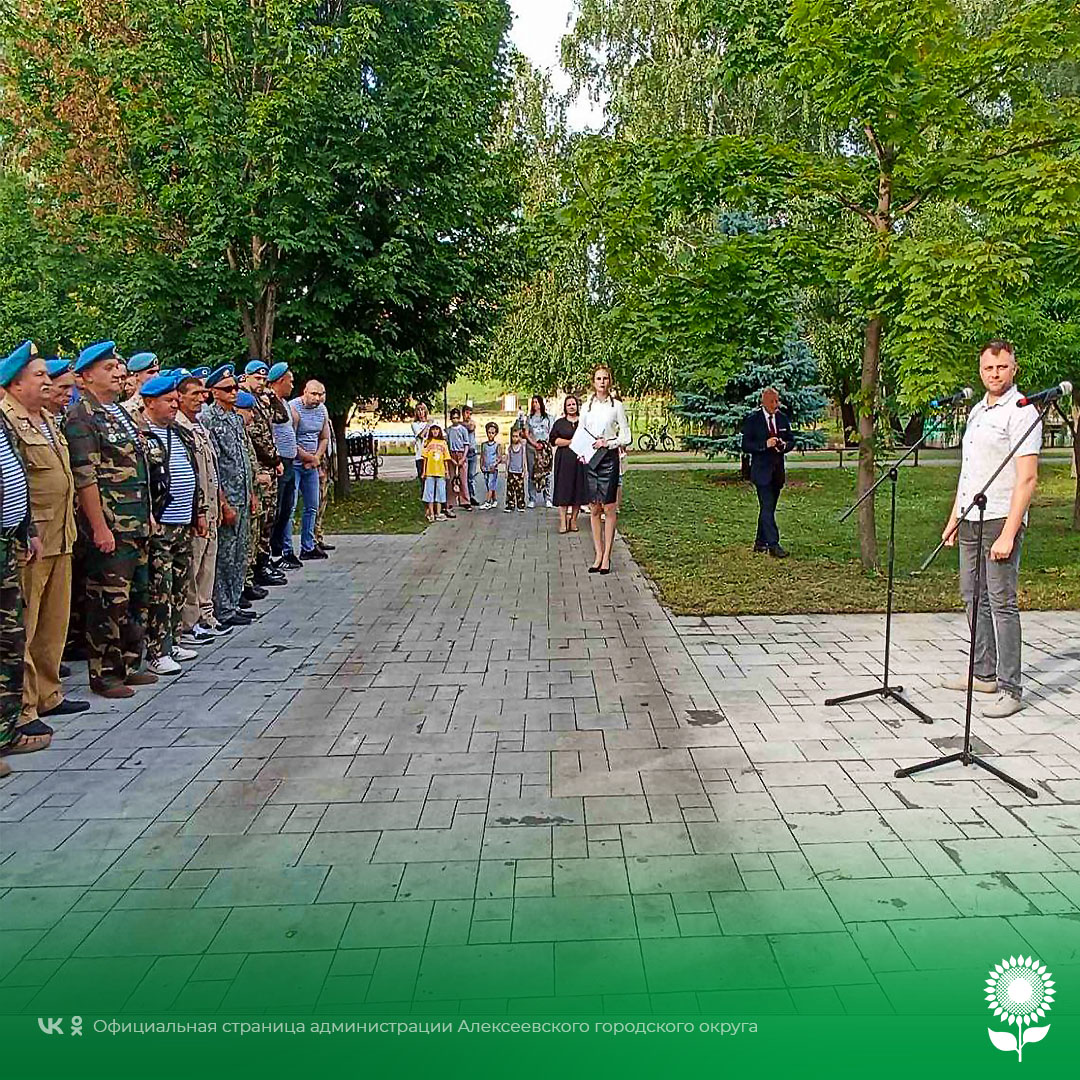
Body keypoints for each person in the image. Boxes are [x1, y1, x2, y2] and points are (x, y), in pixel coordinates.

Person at [941, 340, 1041, 719]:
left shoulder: (1022, 412)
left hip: (1001, 518)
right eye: (988, 368)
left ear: (1013, 369)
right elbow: (969, 473)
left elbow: (1027, 478)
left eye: (1001, 367)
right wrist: (953, 520)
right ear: (980, 371)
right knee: (972, 595)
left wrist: (1009, 532)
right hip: (971, 518)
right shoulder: (977, 412)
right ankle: (983, 672)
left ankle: (1011, 687)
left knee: (1001, 602)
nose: (994, 374)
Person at [0, 344, 88, 735]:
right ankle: (24, 706)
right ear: (15, 384)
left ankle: (50, 693)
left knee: (55, 620)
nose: (48, 382)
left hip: (60, 533)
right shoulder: (9, 420)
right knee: (27, 623)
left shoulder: (47, 420)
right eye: (39, 375)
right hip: (31, 537)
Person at [64, 341, 156, 698]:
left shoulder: (117, 412)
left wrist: (147, 514)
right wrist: (100, 527)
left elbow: (138, 469)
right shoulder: (81, 416)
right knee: (107, 601)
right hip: (110, 527)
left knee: (136, 598)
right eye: (108, 368)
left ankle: (130, 663)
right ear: (85, 377)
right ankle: (104, 673)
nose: (118, 372)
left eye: (118, 367)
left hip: (135, 525)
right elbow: (85, 477)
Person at [0, 344, 51, 771]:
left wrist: (26, 527)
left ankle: (6, 728)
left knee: (10, 637)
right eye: (37, 375)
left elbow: (16, 477)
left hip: (12, 539)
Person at [140, 373, 206, 674]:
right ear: (149, 402)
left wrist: (199, 512)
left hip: (182, 522)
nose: (174, 405)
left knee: (180, 584)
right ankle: (157, 649)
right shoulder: (141, 434)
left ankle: (174, 638)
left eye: (175, 400)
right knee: (160, 588)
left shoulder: (179, 432)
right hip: (160, 524)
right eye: (168, 401)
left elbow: (194, 473)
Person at [177, 370, 231, 644]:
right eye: (194, 394)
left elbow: (211, 470)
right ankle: (190, 622)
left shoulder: (197, 426)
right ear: (179, 397)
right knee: (193, 566)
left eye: (202, 394)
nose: (201, 399)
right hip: (195, 510)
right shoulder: (179, 428)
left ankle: (206, 614)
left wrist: (220, 502)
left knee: (207, 565)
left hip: (210, 505)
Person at [201, 365, 255, 628]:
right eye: (227, 389)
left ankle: (233, 602)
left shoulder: (234, 419)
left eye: (235, 388)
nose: (234, 393)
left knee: (240, 551)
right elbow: (215, 465)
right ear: (213, 392)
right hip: (227, 496)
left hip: (243, 492)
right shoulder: (208, 420)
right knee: (225, 554)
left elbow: (243, 458)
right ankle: (222, 607)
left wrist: (252, 492)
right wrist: (223, 502)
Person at [578, 366, 632, 573]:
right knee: (594, 508)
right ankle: (598, 554)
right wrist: (582, 451)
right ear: (593, 382)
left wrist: (608, 443)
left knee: (609, 508)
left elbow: (626, 436)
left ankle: (608, 556)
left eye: (605, 378)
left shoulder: (616, 406)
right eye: (598, 378)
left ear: (610, 381)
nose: (602, 382)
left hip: (609, 458)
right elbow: (580, 432)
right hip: (590, 459)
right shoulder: (587, 407)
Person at [240, 360, 288, 587]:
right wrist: (275, 459)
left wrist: (271, 395)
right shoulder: (242, 399)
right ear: (246, 377)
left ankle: (262, 561)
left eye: (263, 379)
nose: (260, 383)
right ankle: (255, 567)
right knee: (259, 519)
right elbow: (257, 437)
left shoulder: (262, 400)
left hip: (268, 466)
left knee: (268, 517)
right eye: (257, 379)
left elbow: (281, 417)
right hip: (259, 466)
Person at [741, 386, 792, 559]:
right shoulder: (753, 420)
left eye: (777, 401)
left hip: (777, 472)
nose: (776, 404)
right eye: (772, 401)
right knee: (767, 506)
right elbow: (746, 445)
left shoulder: (782, 419)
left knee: (768, 508)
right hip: (761, 472)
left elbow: (791, 440)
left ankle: (760, 542)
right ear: (764, 402)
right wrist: (765, 445)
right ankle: (773, 544)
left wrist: (784, 445)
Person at [287, 380, 329, 560]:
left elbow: (324, 437)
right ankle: (286, 549)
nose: (317, 398)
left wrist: (316, 458)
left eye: (320, 395)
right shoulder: (293, 409)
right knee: (291, 506)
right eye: (313, 394)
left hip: (312, 465)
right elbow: (289, 440)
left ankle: (308, 546)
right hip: (295, 464)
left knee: (312, 506)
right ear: (305, 392)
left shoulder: (322, 410)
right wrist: (307, 457)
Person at [267, 363, 300, 570]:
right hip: (277, 462)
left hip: (289, 461)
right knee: (276, 510)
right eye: (290, 381)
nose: (292, 385)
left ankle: (279, 554)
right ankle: (272, 554)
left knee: (286, 509)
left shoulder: (284, 403)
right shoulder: (269, 402)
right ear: (280, 381)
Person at [550, 394, 587, 534]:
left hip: (580, 459)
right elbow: (554, 440)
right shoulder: (560, 423)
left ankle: (574, 520)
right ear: (565, 407)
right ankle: (563, 522)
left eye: (573, 404)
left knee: (578, 490)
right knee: (564, 490)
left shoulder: (583, 422)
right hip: (564, 459)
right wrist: (571, 442)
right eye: (569, 405)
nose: (571, 407)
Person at [524, 395, 552, 508]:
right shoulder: (529, 418)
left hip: (545, 447)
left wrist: (545, 443)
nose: (535, 404)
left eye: (537, 402)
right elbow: (526, 433)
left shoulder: (548, 418)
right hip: (532, 448)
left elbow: (551, 431)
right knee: (532, 472)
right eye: (533, 402)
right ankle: (532, 498)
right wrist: (534, 443)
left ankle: (548, 498)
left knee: (547, 473)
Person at [420, 424, 451, 522]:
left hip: (440, 471)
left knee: (440, 492)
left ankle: (438, 513)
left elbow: (446, 458)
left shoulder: (443, 443)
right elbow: (425, 458)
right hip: (430, 471)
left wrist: (447, 471)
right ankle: (431, 514)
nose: (435, 432)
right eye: (433, 430)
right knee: (429, 492)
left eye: (437, 429)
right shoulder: (427, 442)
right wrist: (424, 472)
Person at [121, 352, 160, 416]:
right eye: (151, 372)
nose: (156, 376)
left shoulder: (163, 402)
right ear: (136, 376)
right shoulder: (127, 408)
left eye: (157, 371)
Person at [479, 422, 503, 509]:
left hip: (493, 468)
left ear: (495, 434)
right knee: (489, 485)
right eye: (489, 432)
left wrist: (495, 464)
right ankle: (494, 499)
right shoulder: (484, 445)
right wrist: (481, 465)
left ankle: (488, 502)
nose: (490, 435)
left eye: (492, 433)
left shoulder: (497, 445)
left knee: (490, 484)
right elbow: (482, 455)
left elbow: (500, 457)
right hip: (485, 467)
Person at [462, 404, 480, 506]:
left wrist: (461, 424)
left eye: (470, 413)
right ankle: (465, 497)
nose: (468, 415)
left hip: (472, 452)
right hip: (464, 452)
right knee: (463, 476)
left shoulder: (471, 423)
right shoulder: (460, 426)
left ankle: (472, 495)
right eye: (467, 413)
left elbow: (471, 427)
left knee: (471, 476)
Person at [505, 427, 527, 513]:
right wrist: (506, 470)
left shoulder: (522, 447)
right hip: (511, 471)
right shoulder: (510, 448)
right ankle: (510, 504)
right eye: (513, 436)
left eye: (516, 436)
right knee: (510, 489)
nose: (515, 438)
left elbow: (524, 458)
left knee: (520, 489)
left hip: (519, 471)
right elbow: (508, 459)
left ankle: (520, 504)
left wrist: (524, 470)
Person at [411, 403, 432, 485]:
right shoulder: (415, 425)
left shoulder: (433, 423)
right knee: (423, 478)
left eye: (422, 409)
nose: (420, 412)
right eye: (418, 410)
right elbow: (421, 435)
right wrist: (428, 425)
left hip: (431, 455)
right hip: (420, 455)